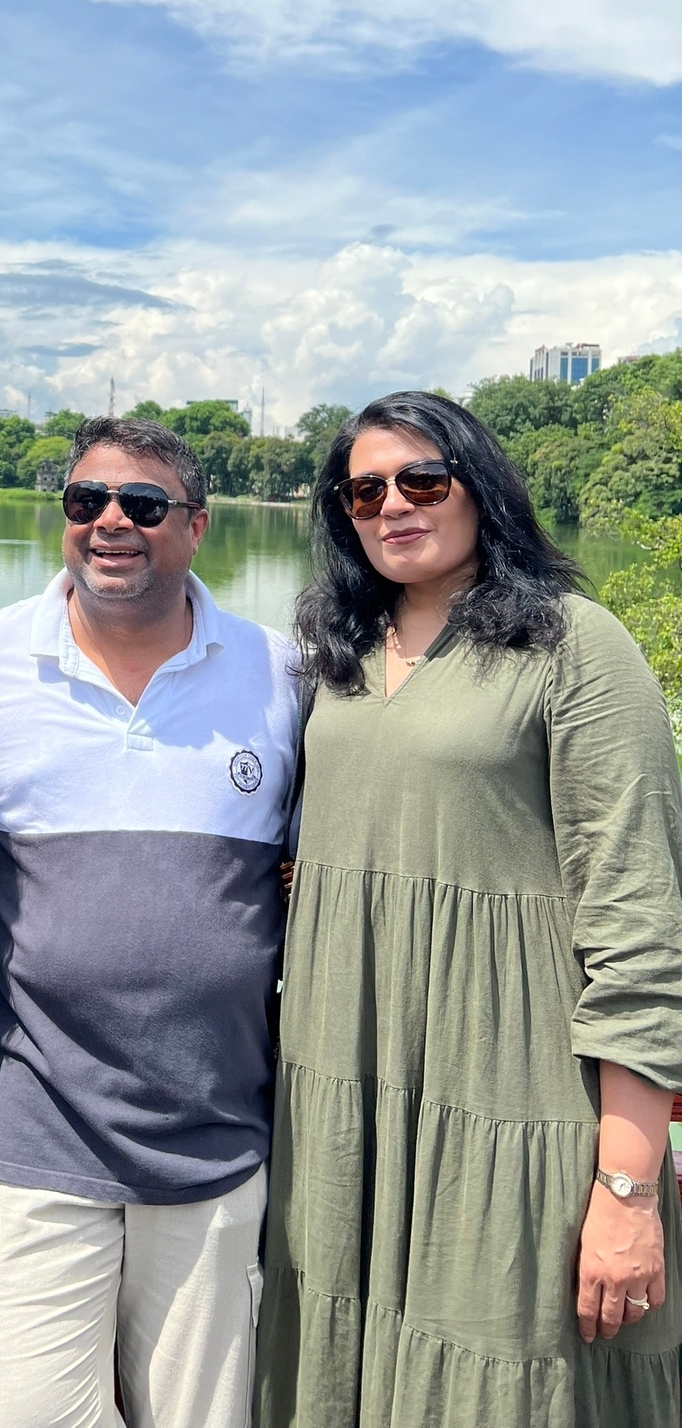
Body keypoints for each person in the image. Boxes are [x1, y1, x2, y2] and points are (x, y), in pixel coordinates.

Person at [255, 390, 682, 1428]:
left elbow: (641, 927)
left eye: (422, 480)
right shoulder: (336, 653)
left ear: (480, 488)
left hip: (507, 1087)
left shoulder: (574, 646)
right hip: (345, 1087)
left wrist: (627, 1191)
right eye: (363, 491)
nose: (392, 506)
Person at [0, 414, 300, 1428]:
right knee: (31, 1409)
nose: (110, 523)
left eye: (142, 505)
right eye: (86, 501)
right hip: (34, 1125)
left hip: (216, 1132)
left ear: (196, 525)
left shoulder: (279, 675)